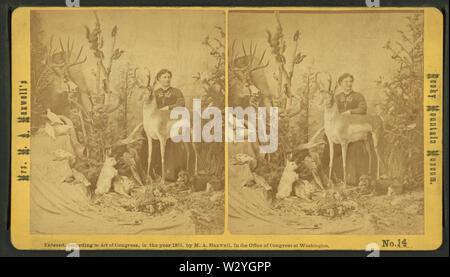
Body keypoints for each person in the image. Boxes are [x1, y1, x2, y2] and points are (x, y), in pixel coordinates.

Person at [323, 73, 371, 186]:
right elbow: (329, 110)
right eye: (346, 82)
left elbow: (363, 108)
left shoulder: (358, 96)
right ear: (340, 84)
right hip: (338, 129)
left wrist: (350, 112)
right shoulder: (336, 97)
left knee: (354, 148)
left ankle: (352, 181)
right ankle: (328, 178)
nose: (349, 84)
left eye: (350, 81)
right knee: (328, 145)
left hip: (353, 129)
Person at [141, 69, 187, 182]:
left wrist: (168, 107)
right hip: (156, 122)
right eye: (164, 77)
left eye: (168, 77)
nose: (167, 79)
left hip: (171, 122)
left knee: (173, 143)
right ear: (159, 79)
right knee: (146, 137)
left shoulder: (176, 92)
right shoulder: (155, 93)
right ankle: (150, 174)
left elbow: (181, 104)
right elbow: (148, 104)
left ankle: (172, 175)